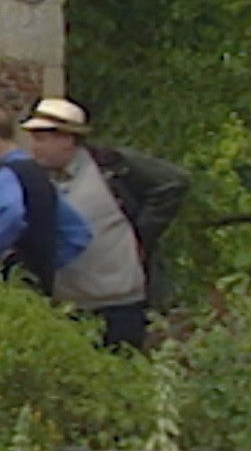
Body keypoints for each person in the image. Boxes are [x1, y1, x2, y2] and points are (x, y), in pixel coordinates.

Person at [19, 97, 189, 349]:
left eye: (42, 138)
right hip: (67, 307)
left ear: (67, 139)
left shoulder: (110, 167)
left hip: (121, 305)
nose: (34, 147)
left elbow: (174, 182)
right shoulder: (36, 178)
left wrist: (141, 235)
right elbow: (0, 205)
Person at [0, 105, 93, 295]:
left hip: (10, 285)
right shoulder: (40, 175)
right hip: (41, 287)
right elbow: (79, 233)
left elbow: (11, 213)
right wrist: (45, 263)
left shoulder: (6, 173)